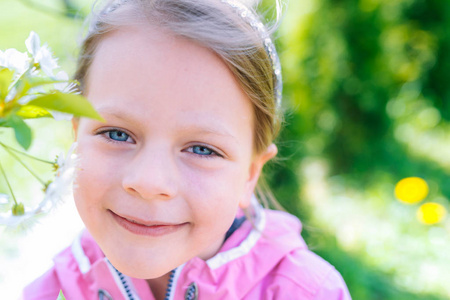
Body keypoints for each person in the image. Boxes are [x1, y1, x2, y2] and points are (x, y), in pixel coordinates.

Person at [23, 0, 352, 299]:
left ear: (250, 173)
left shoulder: (309, 292)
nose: (149, 182)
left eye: (202, 149)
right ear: (76, 136)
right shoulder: (56, 289)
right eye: (117, 134)